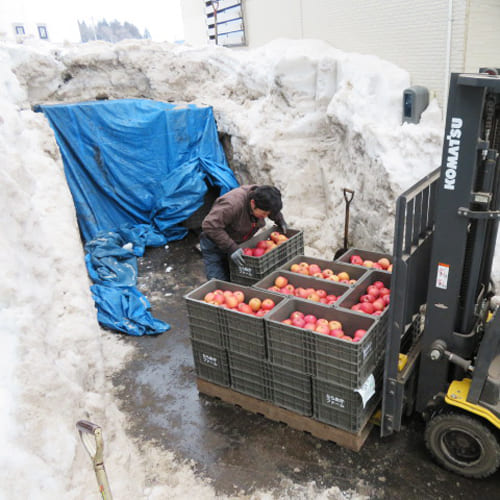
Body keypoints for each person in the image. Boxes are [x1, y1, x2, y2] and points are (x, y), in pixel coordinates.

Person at [200, 184, 288, 280]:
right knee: (218, 280)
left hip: (237, 241)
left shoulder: (263, 196)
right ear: (253, 203)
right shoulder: (232, 205)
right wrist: (231, 248)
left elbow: (270, 208)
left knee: (236, 277)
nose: (265, 216)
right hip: (215, 242)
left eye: (268, 214)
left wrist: (280, 220)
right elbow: (210, 225)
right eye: (263, 214)